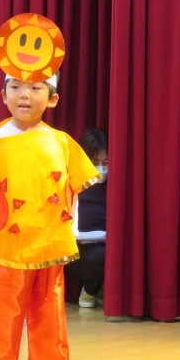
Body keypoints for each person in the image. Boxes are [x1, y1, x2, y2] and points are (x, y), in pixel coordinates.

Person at [0, 68, 100, 360]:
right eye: (16, 87)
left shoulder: (61, 142)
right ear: (3, 95)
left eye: (35, 88)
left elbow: (71, 190)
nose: (24, 94)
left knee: (50, 310)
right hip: (7, 242)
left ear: (52, 99)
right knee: (3, 311)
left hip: (50, 240)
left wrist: (71, 231)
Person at [66, 128, 108, 307]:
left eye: (105, 162)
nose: (101, 168)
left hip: (105, 250)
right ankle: (90, 290)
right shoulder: (71, 185)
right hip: (75, 252)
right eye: (94, 162)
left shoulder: (117, 186)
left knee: (104, 254)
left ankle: (97, 291)